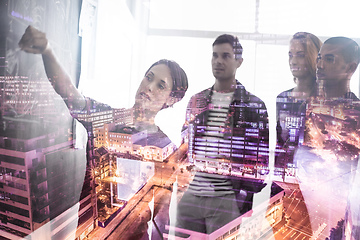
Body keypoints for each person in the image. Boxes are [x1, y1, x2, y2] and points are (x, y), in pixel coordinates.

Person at [19, 25, 188, 239]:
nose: (149, 86)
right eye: (148, 77)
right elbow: (69, 94)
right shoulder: (105, 119)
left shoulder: (166, 149)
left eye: (161, 85)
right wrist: (47, 50)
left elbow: (161, 218)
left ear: (171, 99)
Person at [176, 34, 269, 235]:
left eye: (226, 56)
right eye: (215, 55)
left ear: (239, 62)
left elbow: (259, 161)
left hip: (229, 197)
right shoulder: (196, 100)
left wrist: (241, 198)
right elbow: (184, 146)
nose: (218, 61)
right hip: (194, 192)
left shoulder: (254, 105)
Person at [295, 36, 360, 238]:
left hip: (342, 214)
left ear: (351, 68)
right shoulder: (307, 107)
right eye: (320, 58)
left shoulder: (357, 113)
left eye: (330, 59)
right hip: (303, 206)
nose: (320, 65)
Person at [275, 32, 322, 179]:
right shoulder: (283, 98)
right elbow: (280, 146)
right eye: (290, 55)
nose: (293, 61)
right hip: (284, 179)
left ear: (314, 57)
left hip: (315, 182)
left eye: (300, 55)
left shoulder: (325, 101)